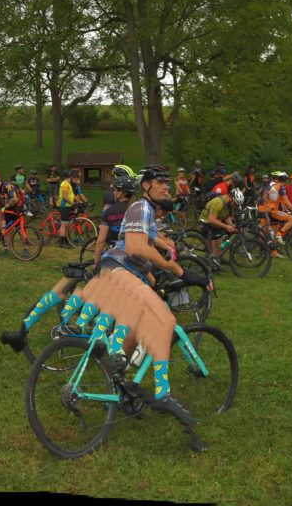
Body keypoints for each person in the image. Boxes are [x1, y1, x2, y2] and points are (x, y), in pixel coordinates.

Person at [78, 166, 212, 451]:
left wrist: (189, 277)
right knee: (165, 320)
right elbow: (137, 248)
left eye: (168, 184)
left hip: (123, 274)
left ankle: (121, 386)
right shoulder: (141, 206)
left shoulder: (148, 215)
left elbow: (145, 252)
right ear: (147, 186)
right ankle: (162, 393)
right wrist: (171, 265)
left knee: (136, 331)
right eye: (162, 183)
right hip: (118, 272)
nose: (167, 187)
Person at [3, 166, 140, 353]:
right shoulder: (136, 211)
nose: (112, 190)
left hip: (109, 258)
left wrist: (96, 261)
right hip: (124, 263)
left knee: (67, 285)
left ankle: (25, 327)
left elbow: (100, 241)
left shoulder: (109, 211)